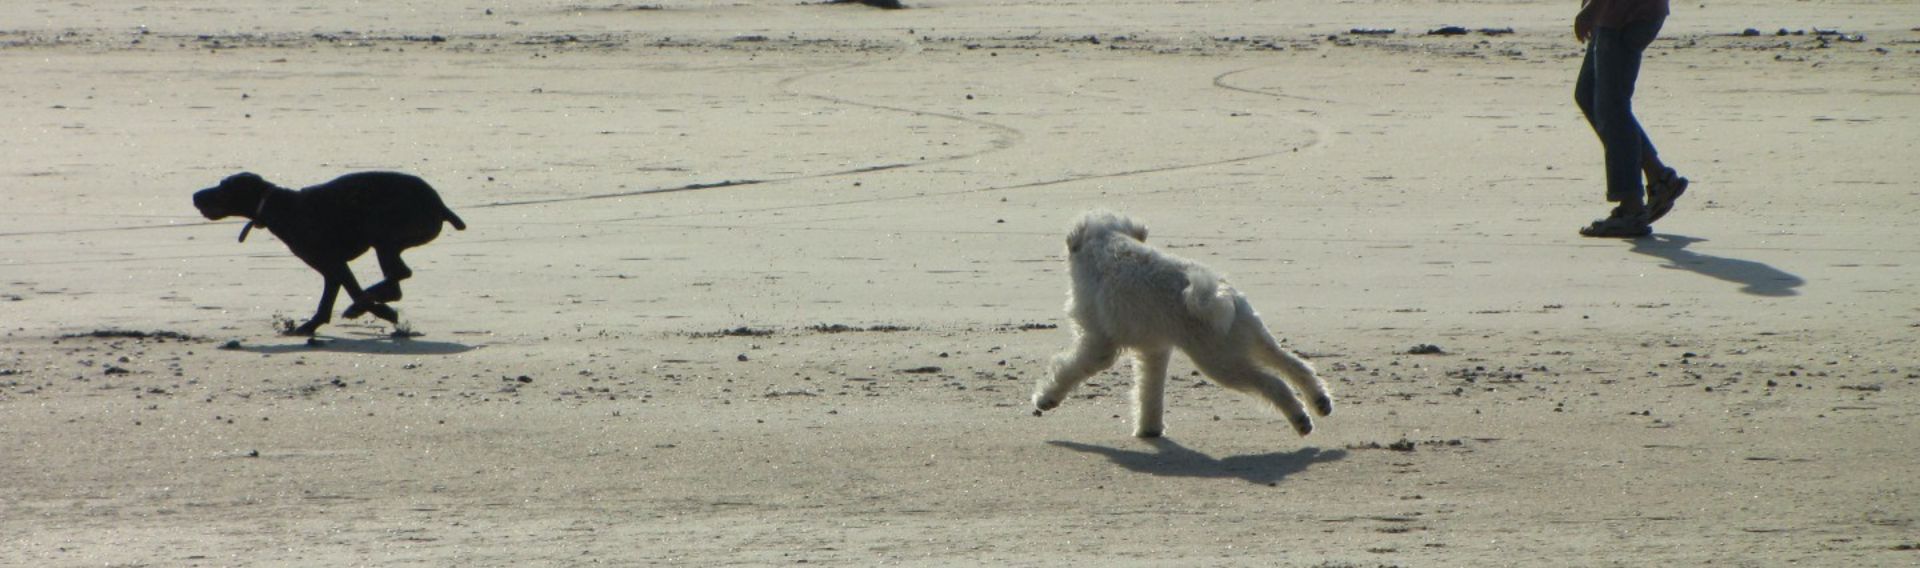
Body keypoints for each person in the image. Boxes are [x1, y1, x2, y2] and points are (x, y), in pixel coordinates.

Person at [1573, 0, 1688, 238]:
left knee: (1611, 108)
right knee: (1589, 94)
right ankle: (1659, 178)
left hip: (1625, 15)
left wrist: (1592, 9)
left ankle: (1631, 207)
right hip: (1617, 15)